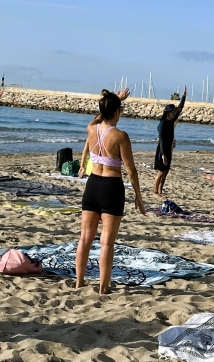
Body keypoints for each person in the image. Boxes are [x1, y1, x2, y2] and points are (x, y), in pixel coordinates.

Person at [76, 89, 146, 293]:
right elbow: (131, 170)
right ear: (117, 112)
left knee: (85, 239)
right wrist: (138, 196)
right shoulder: (120, 136)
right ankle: (103, 287)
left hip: (93, 185)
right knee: (106, 242)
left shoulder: (91, 129)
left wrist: (115, 101)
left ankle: (79, 282)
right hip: (111, 188)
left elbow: (97, 119)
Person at [153, 87, 187, 196]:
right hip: (162, 150)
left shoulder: (171, 121)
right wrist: (163, 155)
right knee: (161, 171)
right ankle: (155, 191)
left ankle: (160, 191)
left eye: (174, 111)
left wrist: (184, 96)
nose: (174, 113)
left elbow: (180, 109)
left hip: (168, 149)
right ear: (167, 112)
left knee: (166, 172)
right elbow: (161, 140)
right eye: (172, 111)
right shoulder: (162, 124)